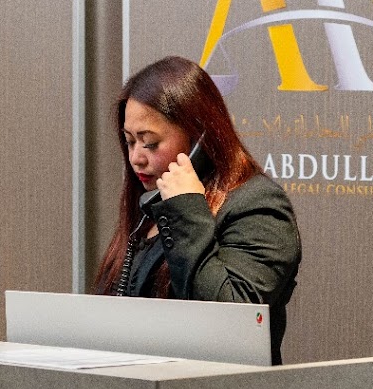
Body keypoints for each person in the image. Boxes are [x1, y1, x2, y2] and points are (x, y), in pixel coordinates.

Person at [94, 55, 301, 364]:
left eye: (149, 143)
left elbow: (231, 321)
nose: (136, 157)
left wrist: (187, 208)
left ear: (199, 138)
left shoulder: (258, 205)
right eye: (129, 141)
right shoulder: (151, 206)